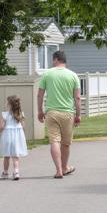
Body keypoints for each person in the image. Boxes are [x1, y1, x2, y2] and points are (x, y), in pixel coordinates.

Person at [37, 50, 81, 179]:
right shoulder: (73, 76)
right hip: (68, 112)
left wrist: (40, 110)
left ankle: (58, 170)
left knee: (54, 141)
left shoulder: (47, 74)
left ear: (56, 59)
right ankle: (64, 167)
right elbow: (77, 98)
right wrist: (78, 115)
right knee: (66, 143)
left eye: (53, 59)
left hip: (52, 112)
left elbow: (40, 94)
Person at [0, 95, 28, 180]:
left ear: (9, 104)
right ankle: (16, 172)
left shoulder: (4, 114)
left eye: (7, 102)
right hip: (18, 136)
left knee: (6, 155)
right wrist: (22, 135)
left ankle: (5, 172)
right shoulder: (21, 114)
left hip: (7, 136)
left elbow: (2, 126)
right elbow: (23, 126)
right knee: (15, 155)